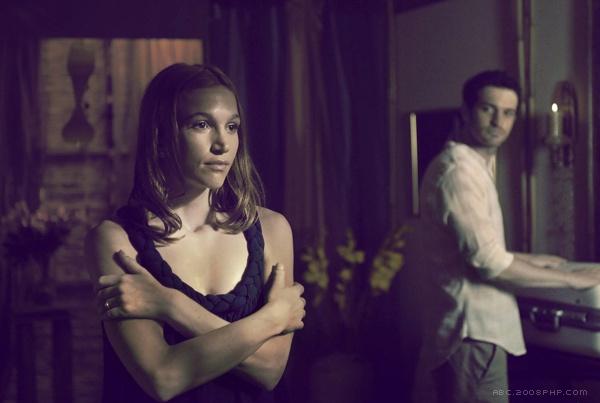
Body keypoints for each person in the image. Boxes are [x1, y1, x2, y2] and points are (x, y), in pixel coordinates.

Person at [85, 63, 306, 403]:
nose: (222, 144)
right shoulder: (115, 241)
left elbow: (270, 369)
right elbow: (163, 377)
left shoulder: (272, 229)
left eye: (232, 127)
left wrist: (169, 304)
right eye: (201, 124)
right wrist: (273, 318)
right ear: (161, 136)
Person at [413, 70, 600, 403]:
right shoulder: (459, 171)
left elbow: (473, 249)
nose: (499, 122)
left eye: (508, 112)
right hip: (472, 336)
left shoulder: (474, 165)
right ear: (466, 111)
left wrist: (531, 260)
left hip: (475, 335)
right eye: (488, 109)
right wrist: (573, 280)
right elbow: (488, 263)